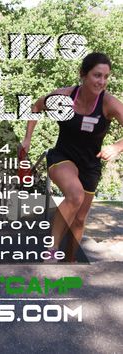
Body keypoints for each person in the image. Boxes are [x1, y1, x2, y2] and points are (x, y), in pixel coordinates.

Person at [22, 52, 123, 262]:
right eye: (97, 75)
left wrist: (117, 146)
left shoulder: (108, 103)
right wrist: (27, 139)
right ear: (83, 75)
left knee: (79, 219)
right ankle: (51, 249)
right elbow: (36, 107)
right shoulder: (64, 97)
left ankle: (70, 260)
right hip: (62, 156)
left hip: (90, 164)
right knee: (75, 195)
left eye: (106, 77)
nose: (102, 81)